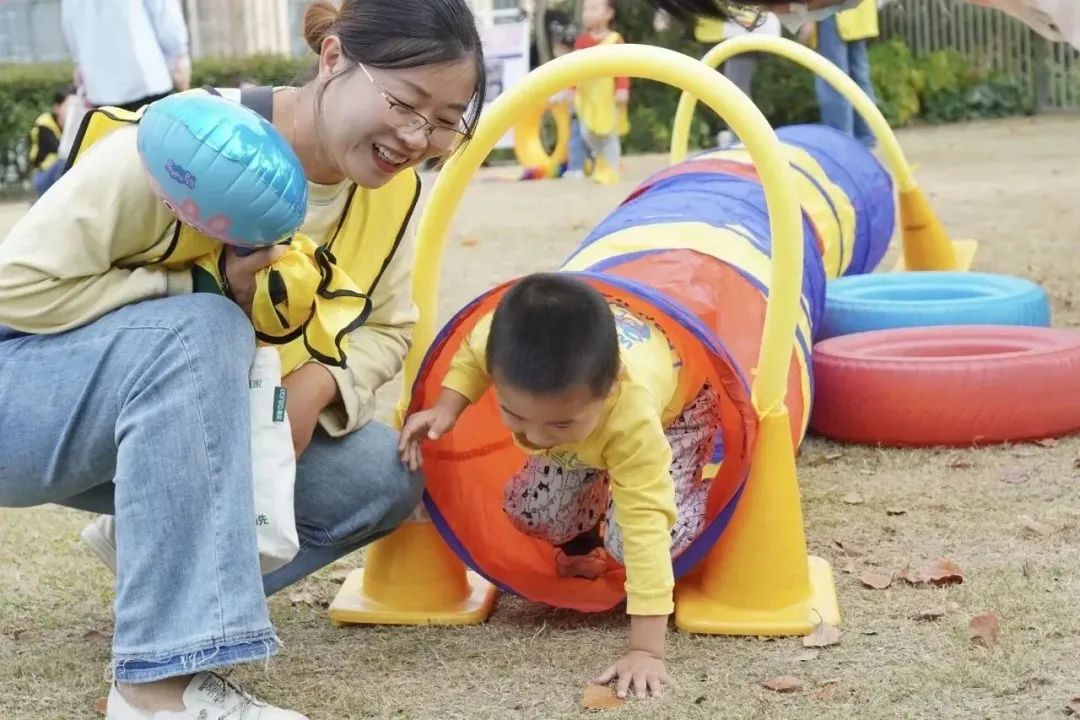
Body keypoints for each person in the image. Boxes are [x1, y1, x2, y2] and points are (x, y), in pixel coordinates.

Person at [0, 0, 485, 717]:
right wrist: (196, 287)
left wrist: (318, 387)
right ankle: (155, 690)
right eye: (406, 102)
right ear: (333, 59)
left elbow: (390, 328)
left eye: (445, 120)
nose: (416, 137)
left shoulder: (395, 198)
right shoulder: (191, 141)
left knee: (379, 475)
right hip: (27, 400)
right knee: (204, 330)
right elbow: (16, 287)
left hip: (185, 423)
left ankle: (157, 571)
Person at [400, 274, 723, 700]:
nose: (535, 438)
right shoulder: (499, 340)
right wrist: (448, 405)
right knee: (530, 508)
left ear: (609, 387)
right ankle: (586, 540)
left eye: (559, 422)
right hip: (592, 431)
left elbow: (646, 523)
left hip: (676, 412)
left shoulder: (633, 415)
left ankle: (691, 494)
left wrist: (646, 649)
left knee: (640, 539)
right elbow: (474, 355)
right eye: (515, 415)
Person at [61, 0, 192, 111]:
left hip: (99, 90)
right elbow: (163, 13)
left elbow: (69, 22)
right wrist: (179, 53)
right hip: (145, 80)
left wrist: (78, 60)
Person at [691, 8, 782, 147]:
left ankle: (750, 144)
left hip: (744, 25)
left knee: (735, 89)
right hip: (710, 27)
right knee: (720, 93)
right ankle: (737, 137)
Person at [799, 0, 879, 147]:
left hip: (831, 10)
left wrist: (809, 18)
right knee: (859, 76)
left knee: (833, 80)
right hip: (859, 11)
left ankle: (840, 141)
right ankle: (865, 135)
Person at [569, 0, 631, 185]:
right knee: (587, 132)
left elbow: (623, 66)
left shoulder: (614, 39)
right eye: (586, 9)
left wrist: (622, 88)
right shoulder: (582, 41)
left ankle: (611, 168)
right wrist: (571, 90)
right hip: (588, 97)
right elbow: (573, 69)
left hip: (608, 97)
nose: (588, 13)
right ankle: (600, 160)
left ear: (609, 14)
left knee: (609, 134)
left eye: (594, 9)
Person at [27, 87, 72, 198]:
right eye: (68, 106)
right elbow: (61, 150)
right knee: (64, 161)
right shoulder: (44, 124)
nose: (72, 110)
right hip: (43, 176)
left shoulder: (69, 125)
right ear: (56, 108)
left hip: (56, 176)